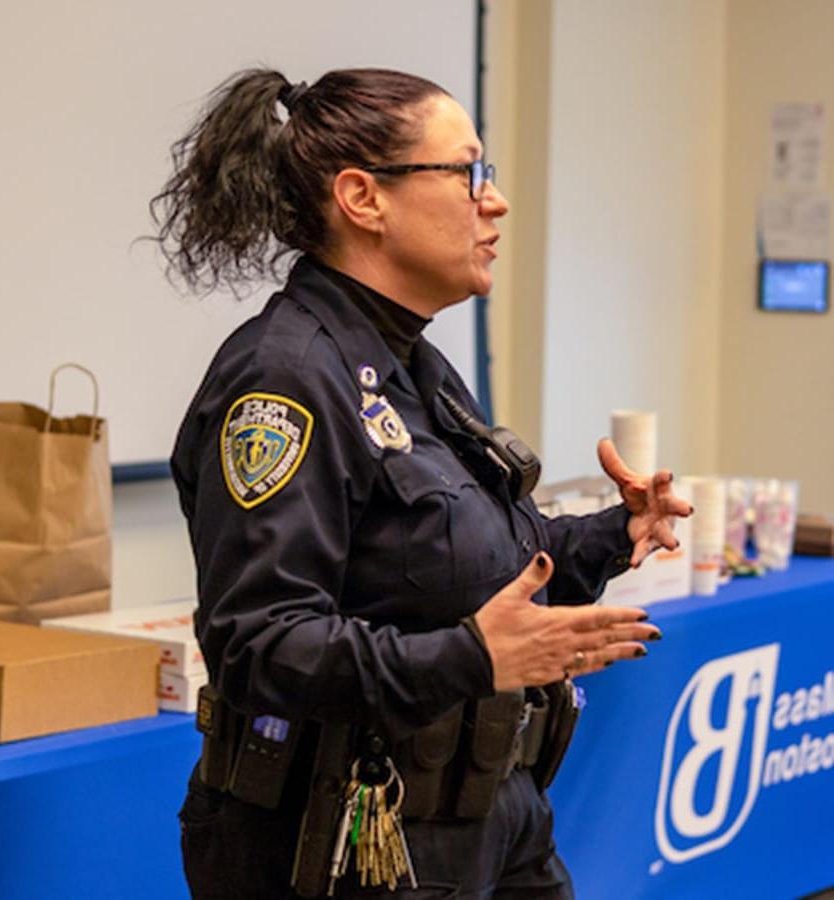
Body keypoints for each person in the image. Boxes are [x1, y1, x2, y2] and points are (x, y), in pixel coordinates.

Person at [154, 67, 690, 900]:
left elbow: (463, 561)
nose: (496, 200)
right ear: (364, 198)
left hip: (488, 813)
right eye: (470, 172)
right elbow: (259, 644)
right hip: (347, 841)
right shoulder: (285, 380)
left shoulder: (412, 362)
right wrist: (471, 656)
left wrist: (608, 535)